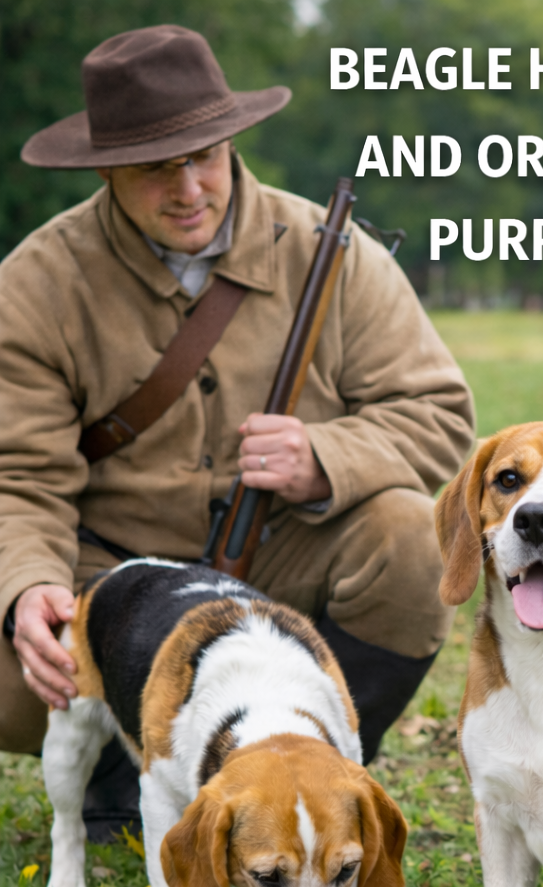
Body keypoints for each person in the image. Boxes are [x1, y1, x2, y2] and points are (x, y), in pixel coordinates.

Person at [0, 26, 475, 836]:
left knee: (409, 542)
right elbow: (22, 476)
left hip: (280, 569)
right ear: (104, 166)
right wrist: (27, 587)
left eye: (205, 155)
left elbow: (439, 415)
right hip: (113, 580)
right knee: (17, 677)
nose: (189, 187)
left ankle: (320, 764)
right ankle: (122, 770)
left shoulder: (339, 254)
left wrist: (323, 457)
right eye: (156, 164)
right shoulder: (37, 282)